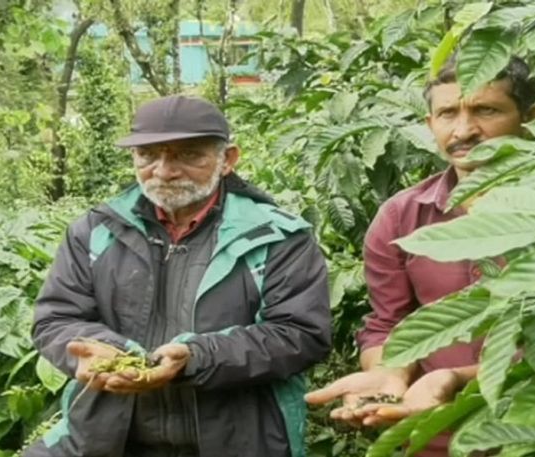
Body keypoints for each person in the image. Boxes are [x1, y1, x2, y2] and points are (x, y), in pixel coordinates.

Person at [24, 95, 332, 457]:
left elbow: (300, 334)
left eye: (189, 155)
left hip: (239, 441)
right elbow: (56, 317)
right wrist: (98, 353)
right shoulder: (95, 230)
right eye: (148, 155)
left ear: (227, 160)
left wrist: (196, 358)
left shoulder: (276, 237)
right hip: (102, 439)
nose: (164, 170)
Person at [305, 56, 535, 456]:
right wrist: (389, 374)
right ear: (430, 124)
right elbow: (387, 324)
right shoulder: (402, 217)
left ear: (533, 117)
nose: (465, 130)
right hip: (435, 438)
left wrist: (457, 378)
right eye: (448, 113)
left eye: (487, 110)